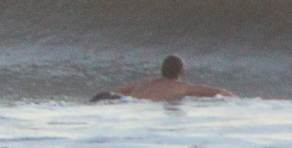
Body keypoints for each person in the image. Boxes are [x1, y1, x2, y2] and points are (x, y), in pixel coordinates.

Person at [91, 55, 235, 102]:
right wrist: (239, 101)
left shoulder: (145, 82)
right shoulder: (183, 88)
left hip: (114, 98)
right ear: (182, 72)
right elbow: (217, 92)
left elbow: (115, 92)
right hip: (137, 106)